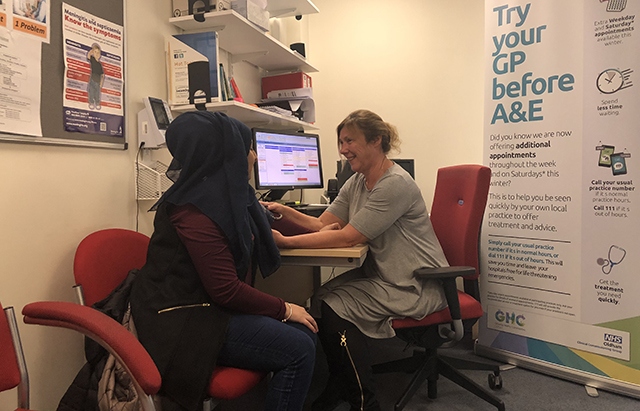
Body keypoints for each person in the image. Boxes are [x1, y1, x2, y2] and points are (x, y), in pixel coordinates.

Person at [129, 111, 318, 411]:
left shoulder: (223, 196)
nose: (254, 156)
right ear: (226, 154)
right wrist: (284, 308)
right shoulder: (195, 212)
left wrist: (318, 228)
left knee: (305, 332)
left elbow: (266, 225)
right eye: (247, 148)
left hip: (210, 310)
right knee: (299, 348)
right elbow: (225, 290)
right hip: (185, 322)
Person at [265, 109, 449, 411]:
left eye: (350, 140)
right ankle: (339, 383)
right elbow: (323, 224)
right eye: (340, 142)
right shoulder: (357, 181)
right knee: (321, 299)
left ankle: (365, 401)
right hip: (386, 275)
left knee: (334, 308)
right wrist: (283, 211)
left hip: (415, 282)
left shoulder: (394, 184)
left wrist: (285, 241)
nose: (343, 149)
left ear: (376, 141)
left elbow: (349, 237)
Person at [86, 43, 104, 110]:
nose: (96, 54)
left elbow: (102, 75)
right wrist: (91, 51)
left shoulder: (99, 64)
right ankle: (91, 103)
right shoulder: (92, 59)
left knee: (97, 93)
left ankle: (97, 103)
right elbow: (88, 56)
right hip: (92, 79)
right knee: (91, 91)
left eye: (98, 52)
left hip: (98, 81)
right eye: (95, 52)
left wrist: (101, 83)